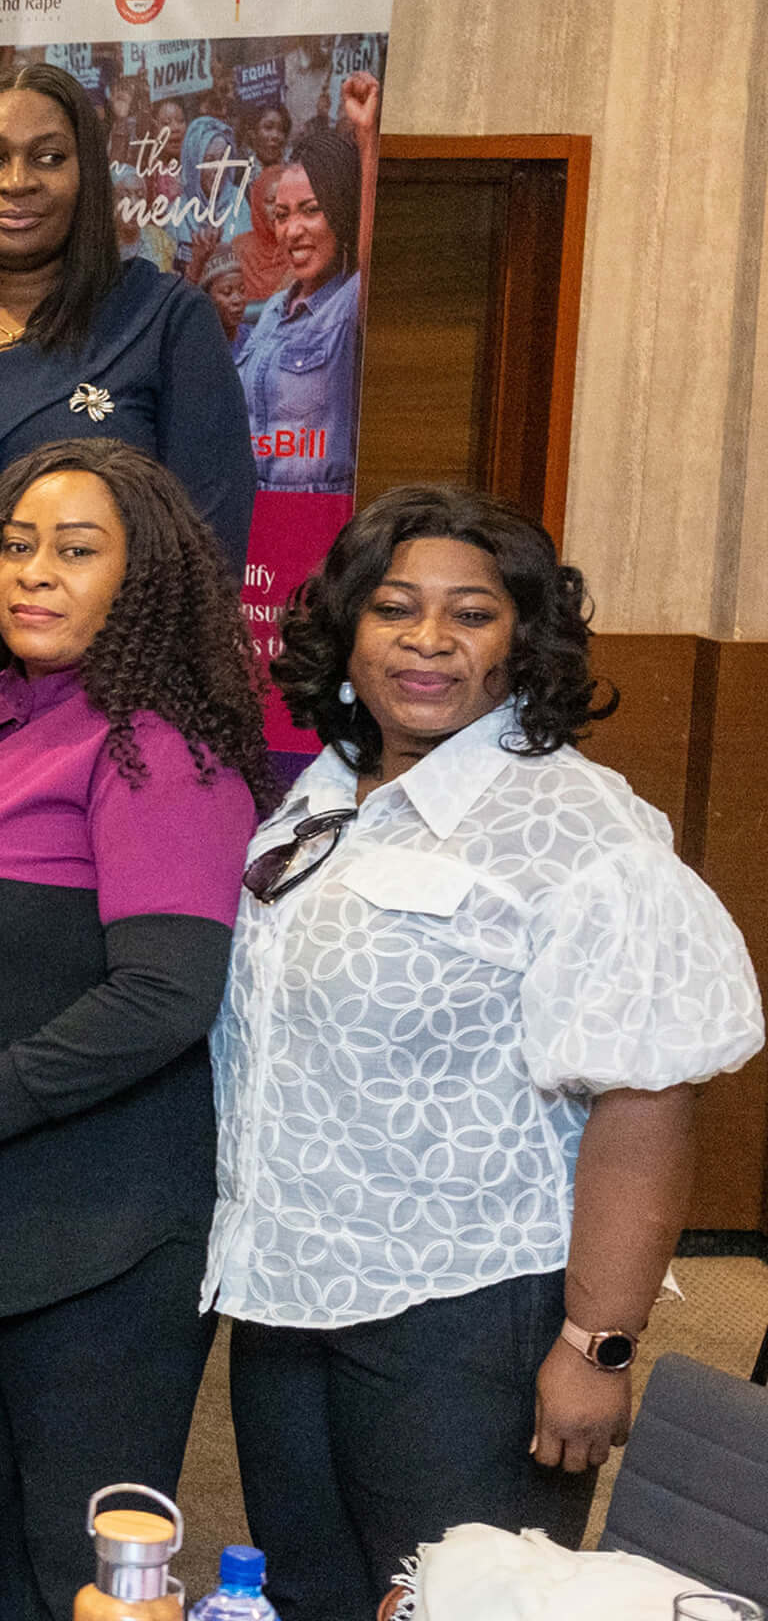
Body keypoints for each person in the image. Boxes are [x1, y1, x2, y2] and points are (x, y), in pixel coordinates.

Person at [213, 486, 763, 1621]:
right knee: (310, 1591)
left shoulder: (579, 830)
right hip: (291, 1291)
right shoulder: (324, 793)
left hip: (465, 1314)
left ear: (522, 642)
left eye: (470, 614)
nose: (427, 639)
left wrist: (598, 1345)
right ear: (346, 630)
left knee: (461, 1600)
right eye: (394, 608)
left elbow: (647, 1100)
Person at [0, 441, 268, 1621]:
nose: (34, 571)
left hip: (100, 1229)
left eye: (78, 550)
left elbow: (165, 996)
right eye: (17, 545)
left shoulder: (157, 749)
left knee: (81, 1567)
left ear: (145, 578)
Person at [0, 61, 252, 705]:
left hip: (105, 719)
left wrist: (121, 726)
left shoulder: (165, 321)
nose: (17, 182)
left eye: (48, 157)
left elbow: (206, 560)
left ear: (87, 176)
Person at [231, 117, 372, 494]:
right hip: (259, 513)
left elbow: (373, 248)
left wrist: (369, 137)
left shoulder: (349, 304)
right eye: (281, 215)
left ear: (343, 212)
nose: (291, 231)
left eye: (311, 210)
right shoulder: (274, 311)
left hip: (322, 516)